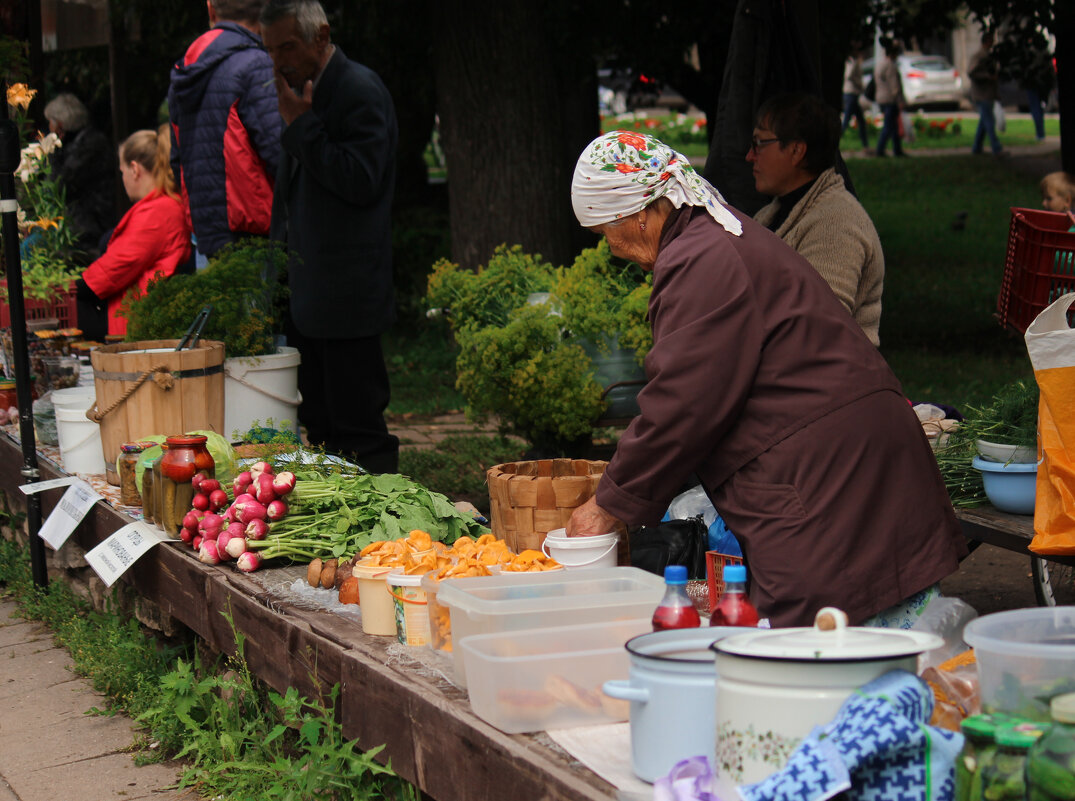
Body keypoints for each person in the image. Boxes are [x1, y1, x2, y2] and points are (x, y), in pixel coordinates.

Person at [566, 131, 966, 628]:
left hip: (832, 475)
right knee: (852, 647)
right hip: (842, 460)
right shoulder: (710, 238)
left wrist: (609, 503)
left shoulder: (702, 258)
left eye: (607, 231)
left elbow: (682, 404)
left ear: (640, 210)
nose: (613, 249)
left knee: (817, 649)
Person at [260, 0, 400, 474]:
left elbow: (361, 181)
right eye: (270, 49)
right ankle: (342, 529)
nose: (279, 60)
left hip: (347, 299)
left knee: (359, 429)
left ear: (320, 36)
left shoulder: (357, 89)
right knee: (320, 427)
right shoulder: (302, 90)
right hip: (309, 297)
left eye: (288, 46)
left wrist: (301, 127)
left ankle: (386, 535)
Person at [748, 93, 884, 346]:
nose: (750, 156)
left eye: (760, 143)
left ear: (796, 151)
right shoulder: (771, 214)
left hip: (828, 383)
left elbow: (816, 331)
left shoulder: (837, 224)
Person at [168, 0, 282, 266]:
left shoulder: (185, 70)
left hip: (208, 238)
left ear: (211, 9)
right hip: (258, 237)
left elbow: (178, 160)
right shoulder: (256, 65)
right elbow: (282, 154)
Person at [76, 126, 191, 339]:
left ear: (135, 169)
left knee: (77, 302)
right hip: (142, 313)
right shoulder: (165, 206)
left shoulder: (157, 212)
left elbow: (111, 271)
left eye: (122, 172)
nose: (123, 179)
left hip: (132, 320)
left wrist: (74, 288)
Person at [42, 93, 116, 262]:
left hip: (90, 227)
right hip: (79, 223)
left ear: (60, 124)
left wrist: (51, 149)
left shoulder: (91, 144)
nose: (49, 128)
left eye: (51, 123)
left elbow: (57, 186)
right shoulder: (80, 142)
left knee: (33, 246)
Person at [968, 31, 1004, 157]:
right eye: (991, 40)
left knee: (984, 122)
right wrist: (988, 77)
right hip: (981, 94)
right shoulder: (980, 56)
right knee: (989, 121)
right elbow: (971, 72)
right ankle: (996, 147)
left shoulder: (989, 56)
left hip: (988, 93)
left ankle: (977, 147)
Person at [874, 40, 906, 158]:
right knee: (889, 126)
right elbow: (894, 86)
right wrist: (899, 100)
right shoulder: (891, 66)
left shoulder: (880, 64)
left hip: (881, 98)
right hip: (890, 99)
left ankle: (897, 149)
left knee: (893, 127)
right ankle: (880, 150)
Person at [840, 45, 869, 151]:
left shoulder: (850, 61)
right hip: (851, 93)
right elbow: (849, 75)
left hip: (851, 94)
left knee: (859, 120)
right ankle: (835, 141)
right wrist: (859, 85)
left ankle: (865, 144)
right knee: (847, 120)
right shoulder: (853, 62)